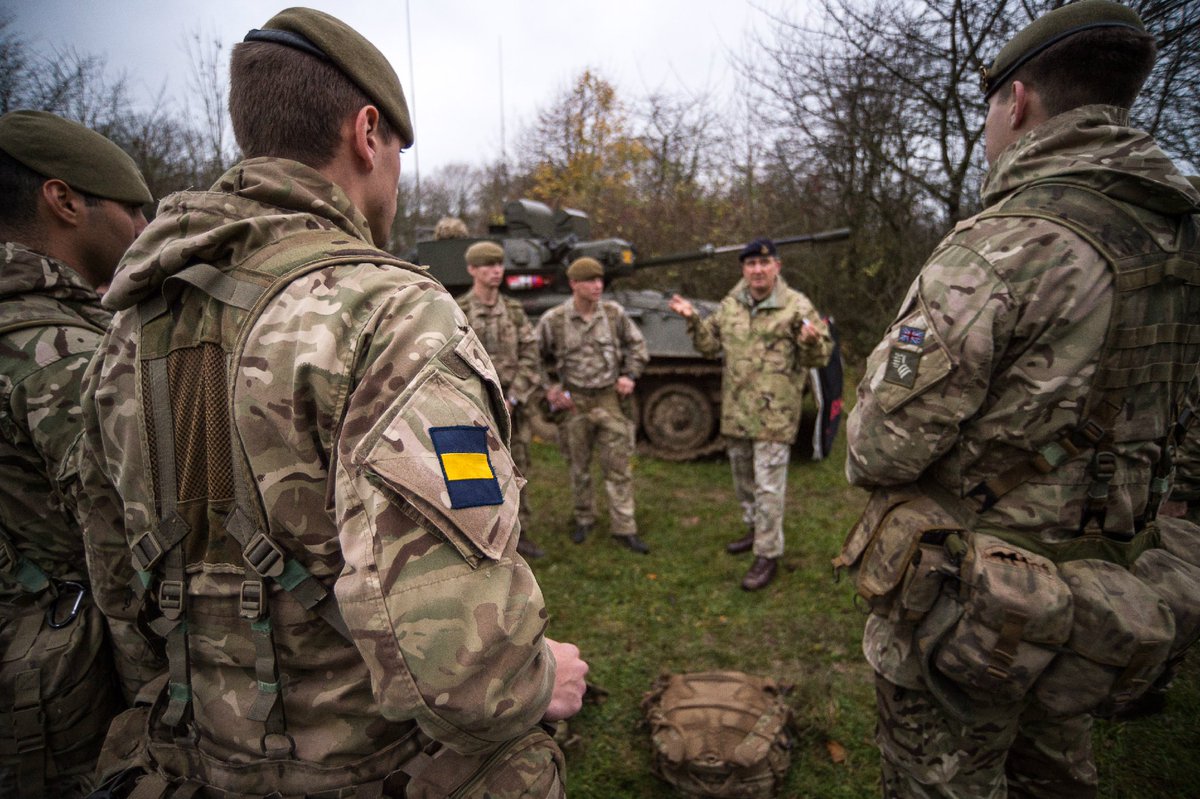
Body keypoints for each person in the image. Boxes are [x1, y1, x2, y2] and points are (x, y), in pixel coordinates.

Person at [76, 8, 587, 798]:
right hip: (368, 764)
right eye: (398, 154)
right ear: (366, 132)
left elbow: (117, 586)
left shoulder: (127, 327)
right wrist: (536, 675)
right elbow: (464, 676)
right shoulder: (387, 312)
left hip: (191, 755)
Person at [842, 1, 1200, 795]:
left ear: (1018, 101)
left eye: (992, 111)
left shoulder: (1003, 246)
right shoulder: (1185, 240)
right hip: (1104, 598)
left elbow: (879, 446)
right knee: (1056, 773)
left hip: (971, 610)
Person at [0, 110, 151, 797]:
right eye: (132, 209)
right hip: (71, 688)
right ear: (64, 200)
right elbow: (131, 537)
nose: (142, 230)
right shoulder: (59, 350)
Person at [668, 238, 831, 590]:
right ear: (743, 269)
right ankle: (755, 529)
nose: (757, 270)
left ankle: (767, 554)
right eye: (750, 264)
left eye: (764, 263)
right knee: (744, 480)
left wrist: (811, 341)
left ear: (777, 266)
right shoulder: (731, 304)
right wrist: (693, 320)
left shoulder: (795, 305)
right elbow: (710, 347)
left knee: (769, 487)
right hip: (738, 411)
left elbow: (820, 357)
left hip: (775, 413)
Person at [536, 256, 651, 554]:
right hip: (575, 402)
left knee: (619, 466)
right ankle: (584, 518)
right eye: (590, 280)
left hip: (609, 399)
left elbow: (638, 347)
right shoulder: (555, 320)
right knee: (579, 466)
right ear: (574, 284)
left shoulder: (614, 315)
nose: (598, 285)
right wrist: (550, 388)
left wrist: (630, 375)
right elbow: (532, 356)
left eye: (600, 280)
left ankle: (624, 527)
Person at [456, 240, 545, 559]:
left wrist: (514, 398)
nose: (495, 270)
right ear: (472, 270)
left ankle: (520, 535)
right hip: (473, 407)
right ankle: (477, 533)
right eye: (487, 265)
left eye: (499, 265)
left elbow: (530, 357)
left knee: (518, 468)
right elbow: (449, 359)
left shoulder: (515, 312)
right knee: (471, 470)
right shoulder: (458, 310)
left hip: (512, 407)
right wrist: (477, 399)